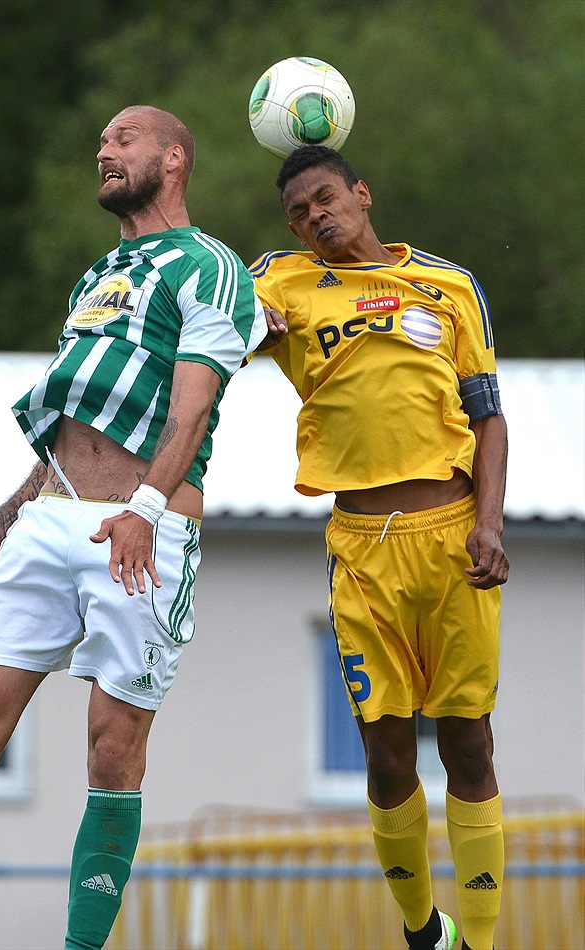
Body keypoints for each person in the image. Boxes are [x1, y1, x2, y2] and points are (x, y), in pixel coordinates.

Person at [0, 105, 266, 950]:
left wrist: (144, 511)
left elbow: (191, 412)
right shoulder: (98, 275)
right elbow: (72, 430)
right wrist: (1, 523)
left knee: (112, 750)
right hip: (50, 520)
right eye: (101, 140)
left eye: (123, 139)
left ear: (174, 158)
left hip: (143, 531)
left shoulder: (208, 265)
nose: (104, 150)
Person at [252, 145, 508, 950]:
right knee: (388, 755)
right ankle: (423, 931)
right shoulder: (281, 282)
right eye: (298, 212)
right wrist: (248, 320)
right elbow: (208, 319)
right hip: (362, 551)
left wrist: (490, 522)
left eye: (326, 198)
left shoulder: (449, 283)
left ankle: (482, 940)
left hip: (453, 535)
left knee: (468, 741)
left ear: (362, 194)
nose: (315, 217)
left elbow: (488, 415)